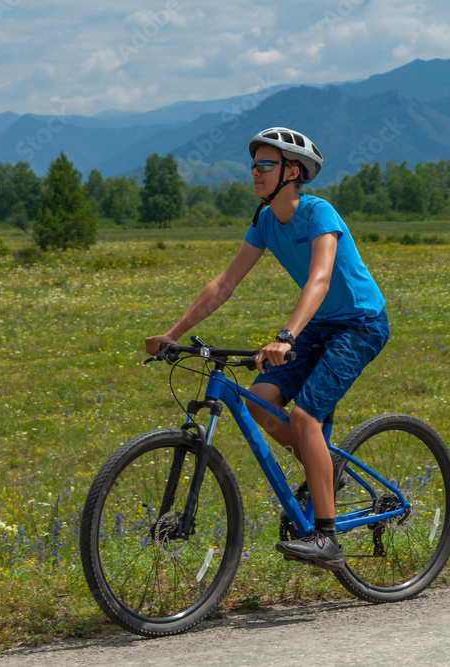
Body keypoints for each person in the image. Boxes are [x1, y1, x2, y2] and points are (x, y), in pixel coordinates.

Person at [145, 127, 389, 571]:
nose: (255, 173)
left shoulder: (319, 214)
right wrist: (173, 333)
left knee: (304, 416)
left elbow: (319, 279)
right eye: (254, 165)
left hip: (360, 324)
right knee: (260, 401)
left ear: (292, 172)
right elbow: (224, 283)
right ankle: (324, 472)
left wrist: (287, 337)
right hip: (318, 327)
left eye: (265, 165)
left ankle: (327, 537)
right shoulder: (263, 221)